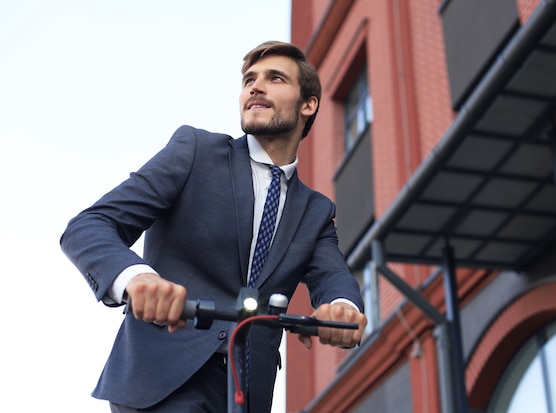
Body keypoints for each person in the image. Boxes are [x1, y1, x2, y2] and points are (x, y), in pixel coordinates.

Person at [60, 40, 367, 413]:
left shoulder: (316, 210)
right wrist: (138, 279)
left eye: (275, 78)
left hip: (245, 393)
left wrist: (342, 309)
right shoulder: (195, 152)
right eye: (249, 79)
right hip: (163, 381)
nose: (255, 86)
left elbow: (334, 278)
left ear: (308, 105)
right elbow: (91, 225)